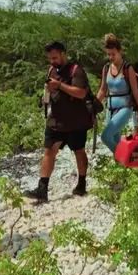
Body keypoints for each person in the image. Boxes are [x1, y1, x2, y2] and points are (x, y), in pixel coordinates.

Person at [25, 41, 93, 201]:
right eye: (50, 58)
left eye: (55, 57)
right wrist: (45, 97)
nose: (52, 61)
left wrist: (60, 85)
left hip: (76, 121)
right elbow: (49, 89)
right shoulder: (51, 70)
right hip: (56, 120)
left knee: (79, 151)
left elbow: (81, 93)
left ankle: (82, 184)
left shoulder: (76, 71)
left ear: (63, 54)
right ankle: (42, 189)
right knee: (49, 152)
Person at [96, 34, 138, 152]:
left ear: (120, 51)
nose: (111, 57)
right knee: (115, 139)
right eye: (108, 54)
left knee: (105, 136)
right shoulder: (106, 68)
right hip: (110, 108)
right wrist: (94, 105)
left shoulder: (128, 68)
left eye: (113, 54)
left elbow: (135, 91)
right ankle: (124, 163)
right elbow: (103, 89)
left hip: (125, 107)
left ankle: (123, 157)